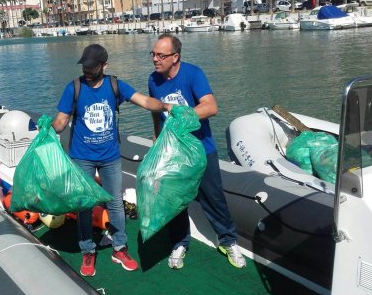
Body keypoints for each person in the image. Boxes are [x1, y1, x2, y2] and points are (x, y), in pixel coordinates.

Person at [52, 44, 171, 277]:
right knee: (85, 204)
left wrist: (167, 106)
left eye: (92, 66)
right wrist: (50, 126)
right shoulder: (73, 88)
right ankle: (88, 249)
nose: (87, 70)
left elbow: (145, 102)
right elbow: (61, 121)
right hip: (81, 156)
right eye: (84, 65)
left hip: (110, 157)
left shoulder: (115, 85)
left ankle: (120, 248)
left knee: (115, 203)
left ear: (104, 66)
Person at [147, 33, 246, 270]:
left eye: (161, 55)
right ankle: (179, 243)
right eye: (153, 54)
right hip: (173, 152)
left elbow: (211, 107)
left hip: (202, 149)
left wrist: (181, 114)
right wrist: (157, 137)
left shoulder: (193, 74)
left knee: (214, 198)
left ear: (175, 57)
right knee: (175, 201)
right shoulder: (153, 79)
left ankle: (228, 241)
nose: (155, 59)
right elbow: (156, 110)